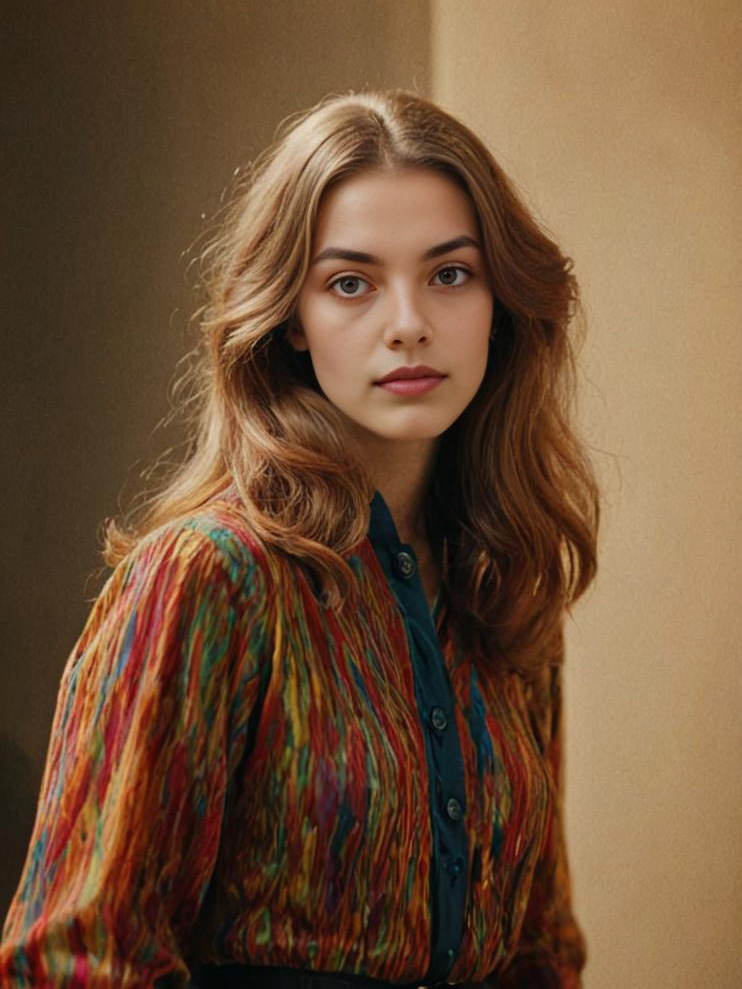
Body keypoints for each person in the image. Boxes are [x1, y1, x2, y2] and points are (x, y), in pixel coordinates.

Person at [0, 89, 599, 988]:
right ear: (289, 317)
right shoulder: (207, 578)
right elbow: (75, 958)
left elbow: (541, 953)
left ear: (501, 302)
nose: (408, 323)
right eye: (351, 282)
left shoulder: (504, 588)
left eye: (450, 274)